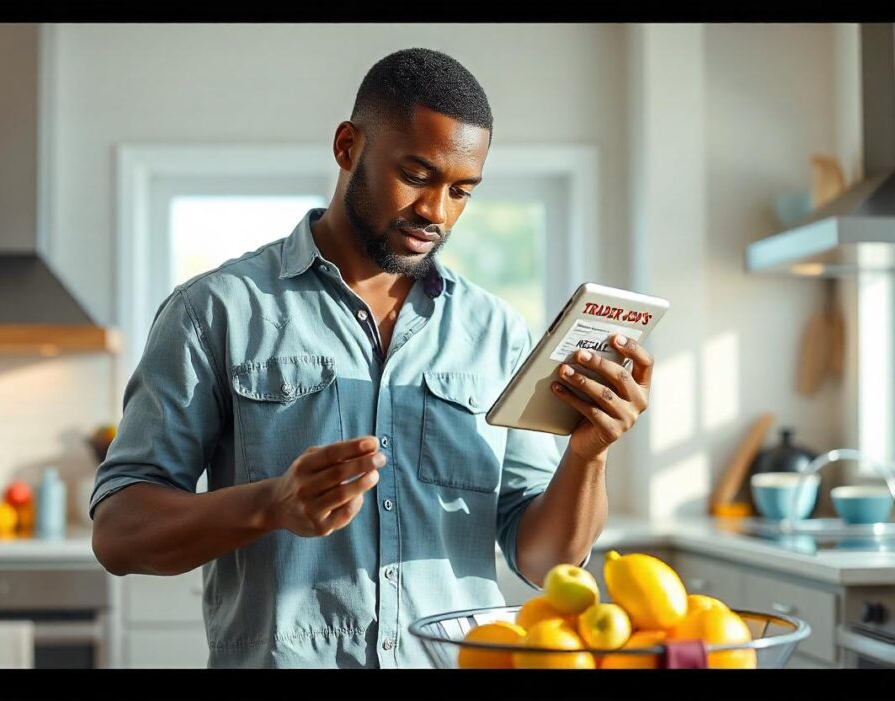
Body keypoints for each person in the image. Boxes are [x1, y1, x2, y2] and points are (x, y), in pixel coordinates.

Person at [90, 47, 655, 669]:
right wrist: (269, 504)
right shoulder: (215, 310)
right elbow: (119, 534)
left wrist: (588, 454)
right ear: (347, 147)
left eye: (461, 191)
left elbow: (545, 561)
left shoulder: (497, 332)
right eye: (416, 176)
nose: (436, 213)